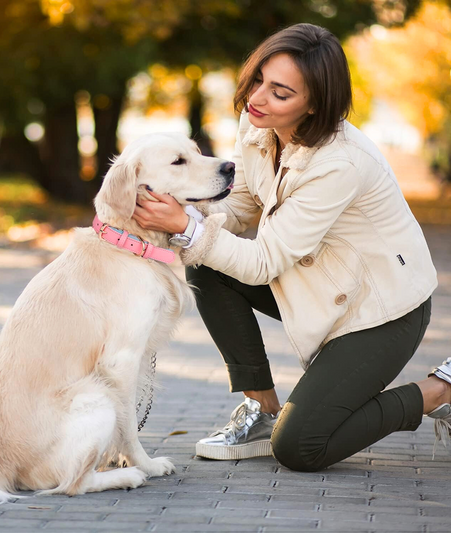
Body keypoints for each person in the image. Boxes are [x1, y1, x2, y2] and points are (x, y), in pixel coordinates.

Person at [133, 23, 451, 471]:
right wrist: (179, 215)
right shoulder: (257, 122)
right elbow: (242, 204)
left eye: (280, 93)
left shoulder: (339, 162)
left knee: (301, 447)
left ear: (315, 104)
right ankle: (261, 409)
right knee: (205, 263)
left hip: (378, 310)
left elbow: (263, 262)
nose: (258, 98)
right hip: (313, 282)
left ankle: (439, 391)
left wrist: (186, 225)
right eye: (258, 79)